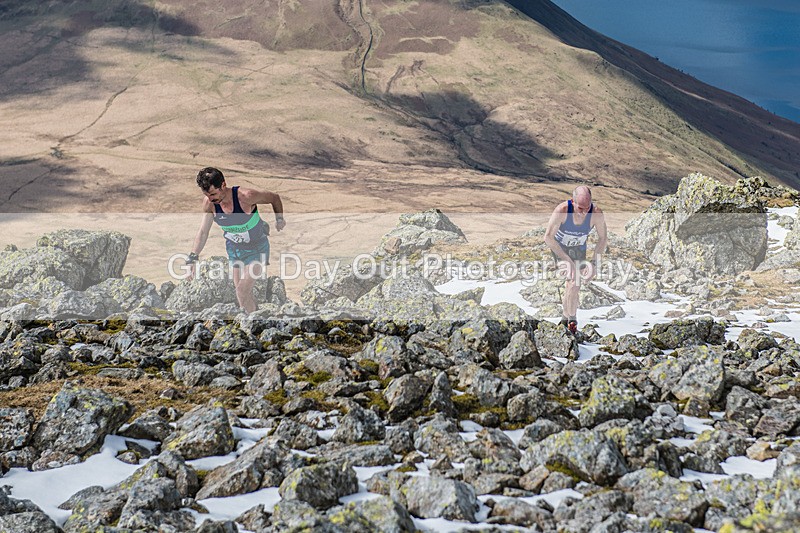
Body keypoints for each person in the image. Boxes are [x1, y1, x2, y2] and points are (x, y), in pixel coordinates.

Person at [187, 167, 286, 313]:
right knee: (241, 293)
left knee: (241, 290)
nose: (211, 199)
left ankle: (250, 324)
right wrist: (192, 257)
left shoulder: (246, 196)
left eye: (213, 194)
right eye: (207, 195)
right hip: (234, 249)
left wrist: (279, 219)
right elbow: (203, 232)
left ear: (223, 185)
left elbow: (274, 197)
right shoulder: (209, 204)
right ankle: (255, 320)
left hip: (257, 248)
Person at [544, 185, 607, 334]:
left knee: (574, 285)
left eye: (587, 207)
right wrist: (565, 259)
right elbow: (548, 237)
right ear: (573, 202)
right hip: (560, 248)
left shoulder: (596, 213)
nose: (584, 212)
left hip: (578, 249)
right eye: (580, 208)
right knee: (572, 278)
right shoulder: (562, 210)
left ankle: (565, 319)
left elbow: (603, 238)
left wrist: (594, 263)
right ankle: (572, 320)